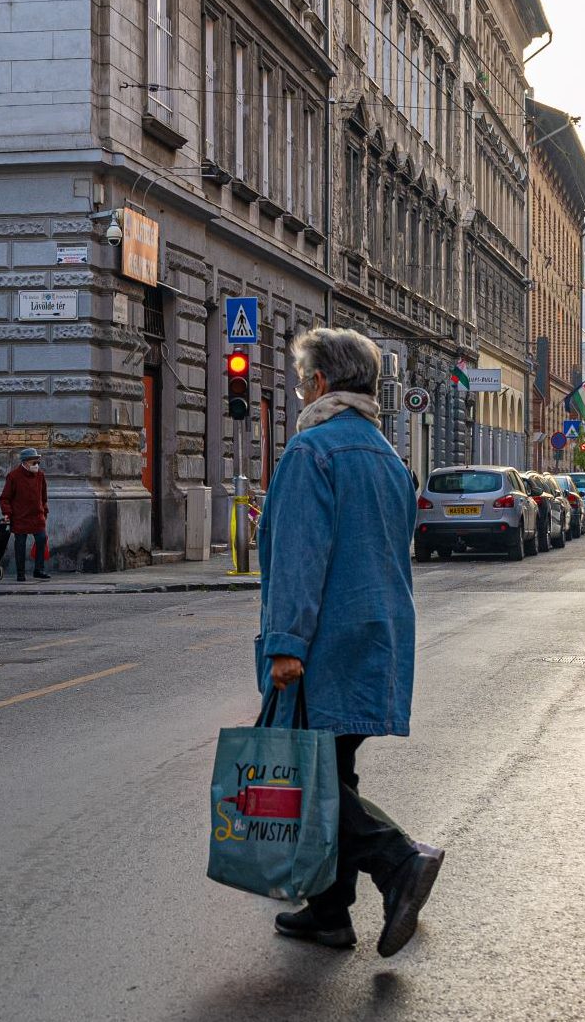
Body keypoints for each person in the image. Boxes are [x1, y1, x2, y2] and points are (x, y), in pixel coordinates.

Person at [259, 327, 445, 957]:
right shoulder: (388, 456)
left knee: (312, 779)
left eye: (299, 379)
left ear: (318, 384)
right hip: (379, 636)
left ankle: (398, 863)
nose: (295, 390)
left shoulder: (312, 452)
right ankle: (330, 911)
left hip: (325, 643)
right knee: (330, 769)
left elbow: (299, 557)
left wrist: (286, 644)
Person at [0, 447, 50, 581]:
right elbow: (5, 498)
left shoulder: (40, 475)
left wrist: (44, 511)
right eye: (34, 462)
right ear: (25, 462)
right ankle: (20, 573)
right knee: (20, 544)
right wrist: (7, 513)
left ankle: (39, 569)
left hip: (37, 516)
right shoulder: (13, 476)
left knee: (41, 539)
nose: (37, 465)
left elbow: (43, 497)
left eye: (38, 462)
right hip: (20, 516)